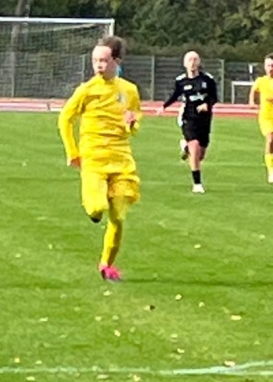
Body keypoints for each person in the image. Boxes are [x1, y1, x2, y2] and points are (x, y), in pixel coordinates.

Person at [58, 36, 141, 281]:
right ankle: (94, 213)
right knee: (97, 207)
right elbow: (65, 119)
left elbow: (134, 122)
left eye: (103, 60)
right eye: (95, 60)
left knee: (118, 215)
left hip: (121, 159)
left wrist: (132, 124)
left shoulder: (129, 90)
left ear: (117, 61)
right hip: (93, 158)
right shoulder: (86, 90)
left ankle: (107, 264)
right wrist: (72, 151)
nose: (98, 65)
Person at [158, 50, 218, 193]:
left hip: (204, 120)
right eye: (189, 60)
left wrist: (207, 104)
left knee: (200, 154)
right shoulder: (181, 81)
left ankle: (186, 147)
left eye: (195, 59)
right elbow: (175, 95)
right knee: (195, 146)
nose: (192, 63)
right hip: (188, 118)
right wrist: (164, 106)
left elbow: (214, 97)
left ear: (199, 62)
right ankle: (197, 184)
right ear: (184, 63)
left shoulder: (207, 79)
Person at [251, 54, 273, 184]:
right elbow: (254, 90)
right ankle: (271, 170)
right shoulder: (261, 81)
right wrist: (252, 102)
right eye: (268, 65)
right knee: (270, 140)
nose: (271, 68)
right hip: (266, 117)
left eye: (272, 65)